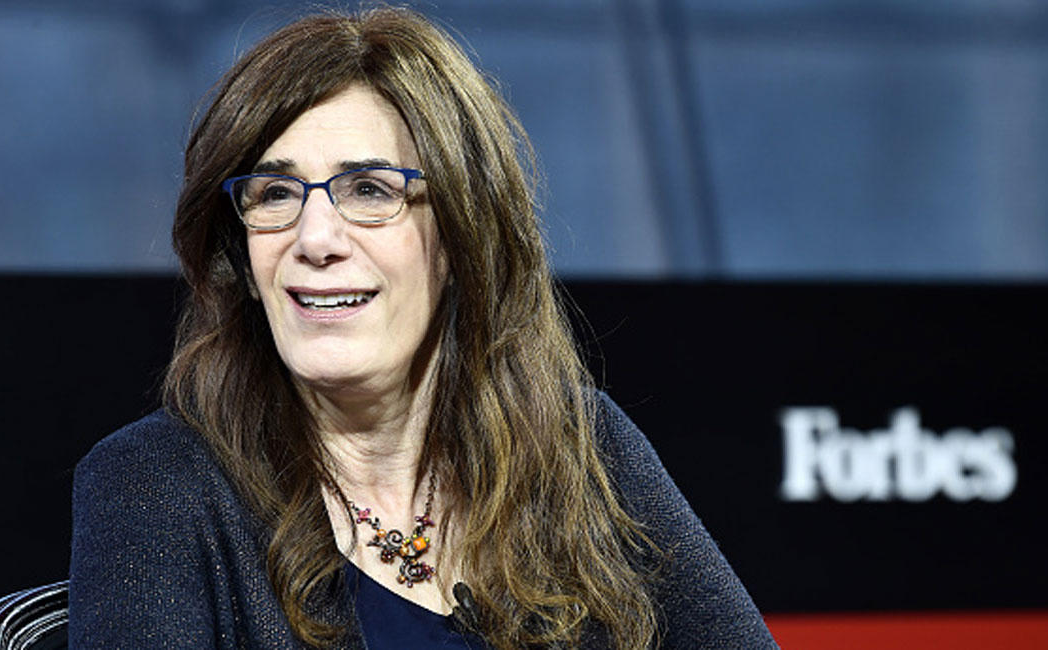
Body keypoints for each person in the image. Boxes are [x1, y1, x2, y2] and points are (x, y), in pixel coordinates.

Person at [68, 7, 776, 649]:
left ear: (462, 236)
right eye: (276, 193)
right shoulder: (152, 485)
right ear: (241, 256)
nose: (315, 238)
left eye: (369, 190)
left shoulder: (584, 450)